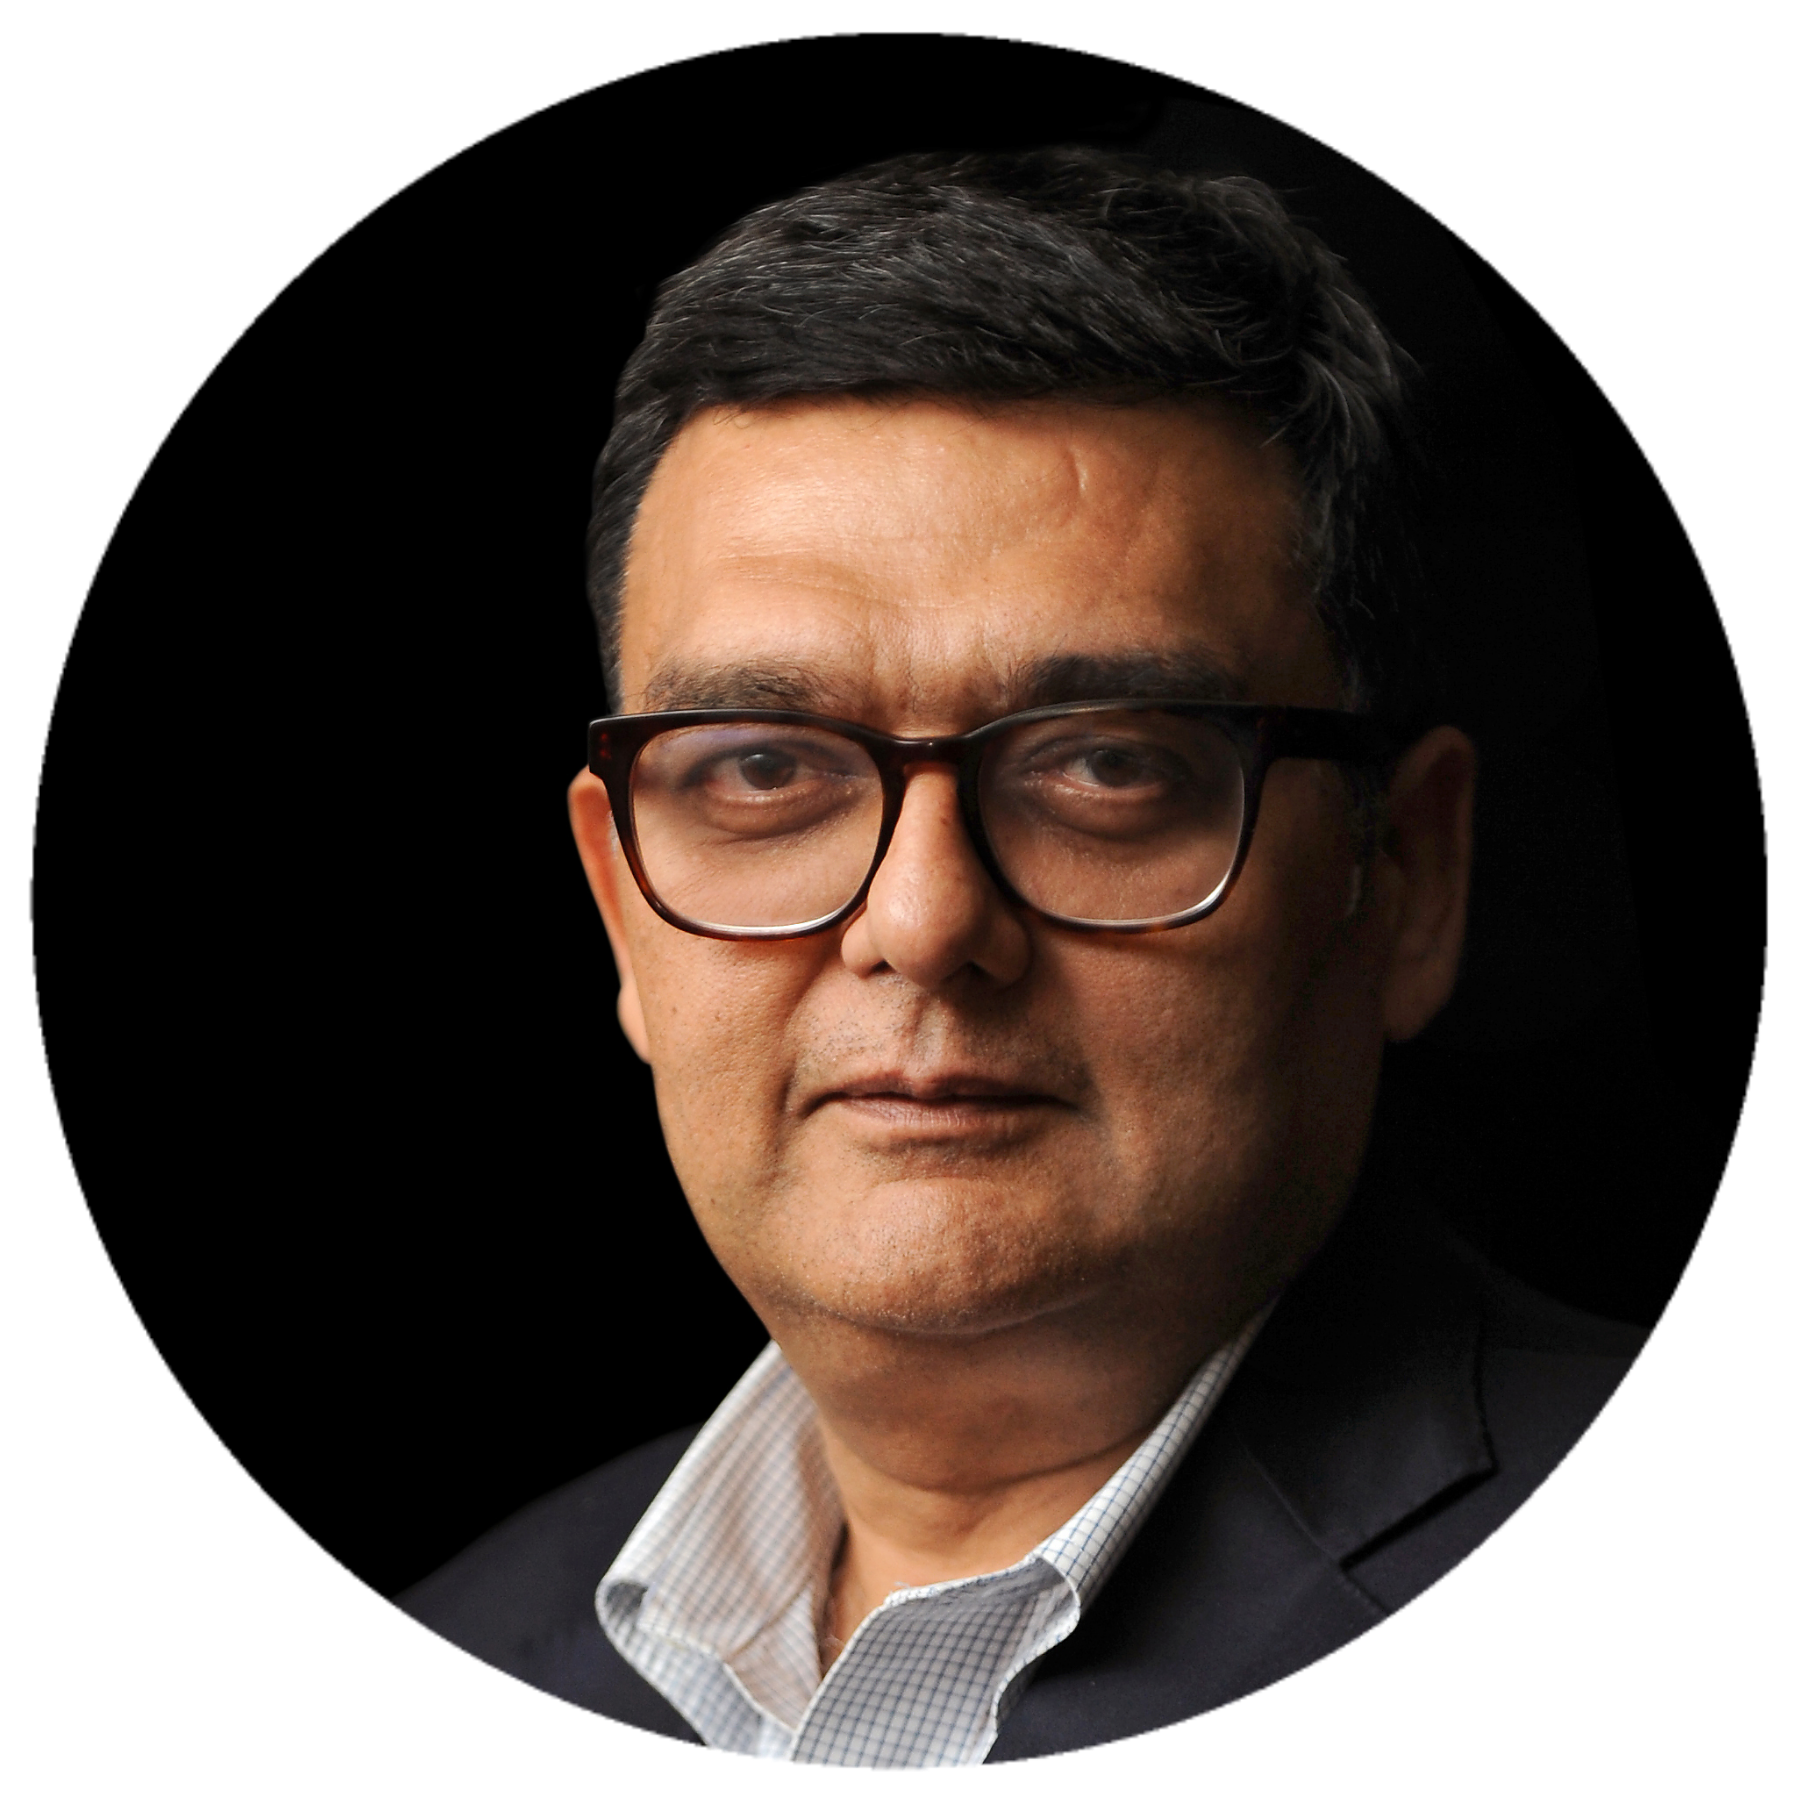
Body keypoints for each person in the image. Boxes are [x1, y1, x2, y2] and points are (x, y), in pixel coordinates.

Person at [390, 145, 1650, 1767]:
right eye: (763, 769)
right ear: (622, 906)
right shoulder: (476, 1632)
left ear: (1402, 877)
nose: (923, 926)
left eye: (1108, 766)